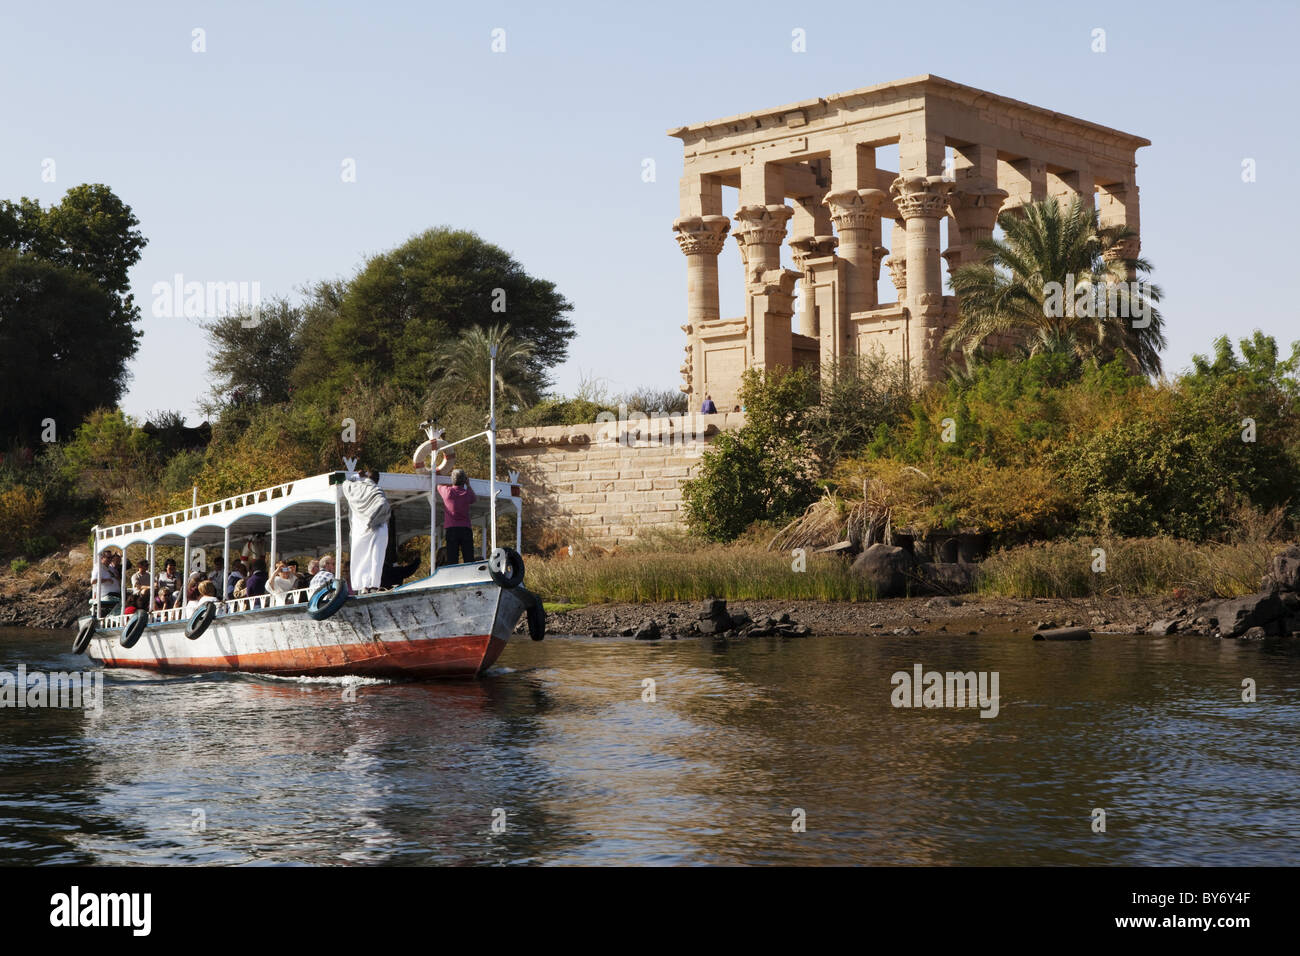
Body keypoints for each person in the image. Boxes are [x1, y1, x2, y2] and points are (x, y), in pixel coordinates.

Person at [342, 468, 391, 593]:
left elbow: (345, 483)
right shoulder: (376, 489)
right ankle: (374, 586)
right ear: (377, 480)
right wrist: (375, 517)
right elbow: (382, 504)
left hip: (360, 528)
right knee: (376, 556)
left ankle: (363, 587)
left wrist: (356, 476)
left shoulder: (355, 488)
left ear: (365, 477)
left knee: (361, 557)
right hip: (376, 525)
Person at [438, 468, 477, 564]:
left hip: (452, 530)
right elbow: (474, 498)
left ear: (452, 480)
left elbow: (438, 485)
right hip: (465, 529)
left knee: (452, 559)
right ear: (464, 481)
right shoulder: (467, 494)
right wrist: (468, 485)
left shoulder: (447, 492)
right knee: (469, 558)